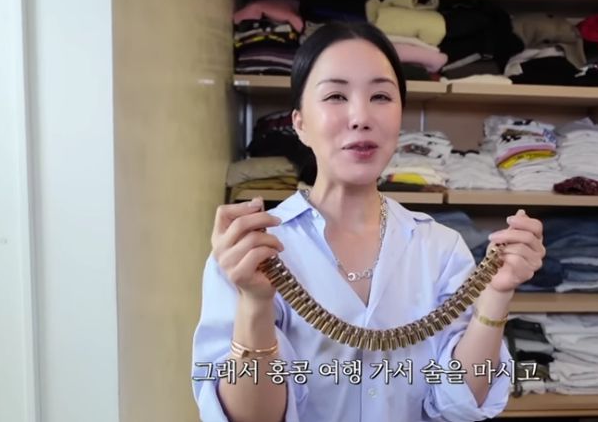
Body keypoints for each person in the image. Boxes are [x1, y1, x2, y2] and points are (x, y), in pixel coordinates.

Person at [192, 22, 545, 422]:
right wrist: (255, 304)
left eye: (380, 96)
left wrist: (496, 293)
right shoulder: (250, 252)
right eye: (335, 96)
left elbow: (459, 402)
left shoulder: (440, 248)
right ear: (300, 123)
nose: (360, 117)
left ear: (399, 117)